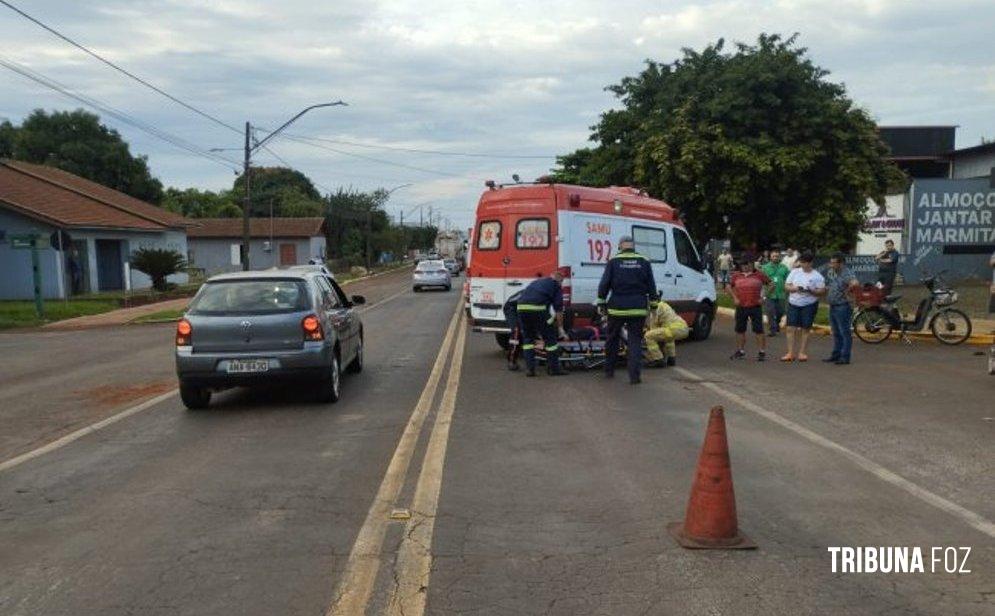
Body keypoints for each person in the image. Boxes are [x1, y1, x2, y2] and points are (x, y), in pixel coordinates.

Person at [598, 235, 658, 384]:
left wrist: (601, 302)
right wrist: (654, 306)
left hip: (617, 308)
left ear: (620, 246)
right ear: (633, 246)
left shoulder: (613, 261)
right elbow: (651, 285)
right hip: (637, 308)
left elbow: (604, 283)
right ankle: (635, 376)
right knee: (635, 342)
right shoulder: (644, 261)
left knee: (612, 339)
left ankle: (609, 370)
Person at [515, 272, 569, 377]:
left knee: (528, 339)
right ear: (559, 281)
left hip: (521, 309)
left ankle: (530, 369)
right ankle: (554, 369)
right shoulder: (556, 286)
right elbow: (558, 309)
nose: (561, 285)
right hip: (538, 309)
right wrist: (561, 328)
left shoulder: (537, 282)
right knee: (551, 339)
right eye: (561, 283)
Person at [782, 252, 825, 362]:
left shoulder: (817, 276)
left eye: (805, 262)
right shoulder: (794, 272)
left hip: (809, 304)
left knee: (806, 328)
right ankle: (790, 352)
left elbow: (821, 291)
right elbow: (786, 286)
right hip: (793, 302)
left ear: (811, 263)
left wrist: (812, 290)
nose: (802, 264)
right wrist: (795, 289)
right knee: (790, 328)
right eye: (801, 262)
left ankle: (802, 353)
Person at [729, 256, 770, 361]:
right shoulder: (736, 275)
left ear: (751, 264)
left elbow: (772, 285)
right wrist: (735, 298)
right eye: (742, 265)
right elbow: (729, 287)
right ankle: (740, 351)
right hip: (741, 306)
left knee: (758, 330)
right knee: (740, 330)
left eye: (746, 264)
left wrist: (763, 298)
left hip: (755, 306)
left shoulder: (759, 275)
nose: (744, 267)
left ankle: (762, 352)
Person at [822, 253, 860, 365]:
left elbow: (855, 283)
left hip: (842, 306)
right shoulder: (836, 273)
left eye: (834, 263)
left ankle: (845, 356)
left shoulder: (846, 273)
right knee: (836, 332)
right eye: (831, 262)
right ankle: (836, 354)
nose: (831, 265)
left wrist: (847, 291)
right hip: (834, 306)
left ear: (841, 263)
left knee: (844, 332)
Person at [643, 300, 689, 368]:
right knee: (668, 338)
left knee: (648, 336)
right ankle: (671, 358)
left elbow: (653, 327)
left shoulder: (654, 308)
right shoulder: (664, 305)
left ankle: (658, 359)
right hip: (683, 328)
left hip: (673, 329)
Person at [761, 249, 790, 336]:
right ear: (770, 257)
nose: (775, 258)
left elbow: (788, 279)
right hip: (770, 293)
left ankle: (777, 325)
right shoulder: (765, 267)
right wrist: (763, 292)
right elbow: (761, 280)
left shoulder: (784, 268)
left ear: (780, 257)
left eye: (777, 256)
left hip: (781, 294)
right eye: (773, 256)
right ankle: (772, 330)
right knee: (770, 312)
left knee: (780, 312)